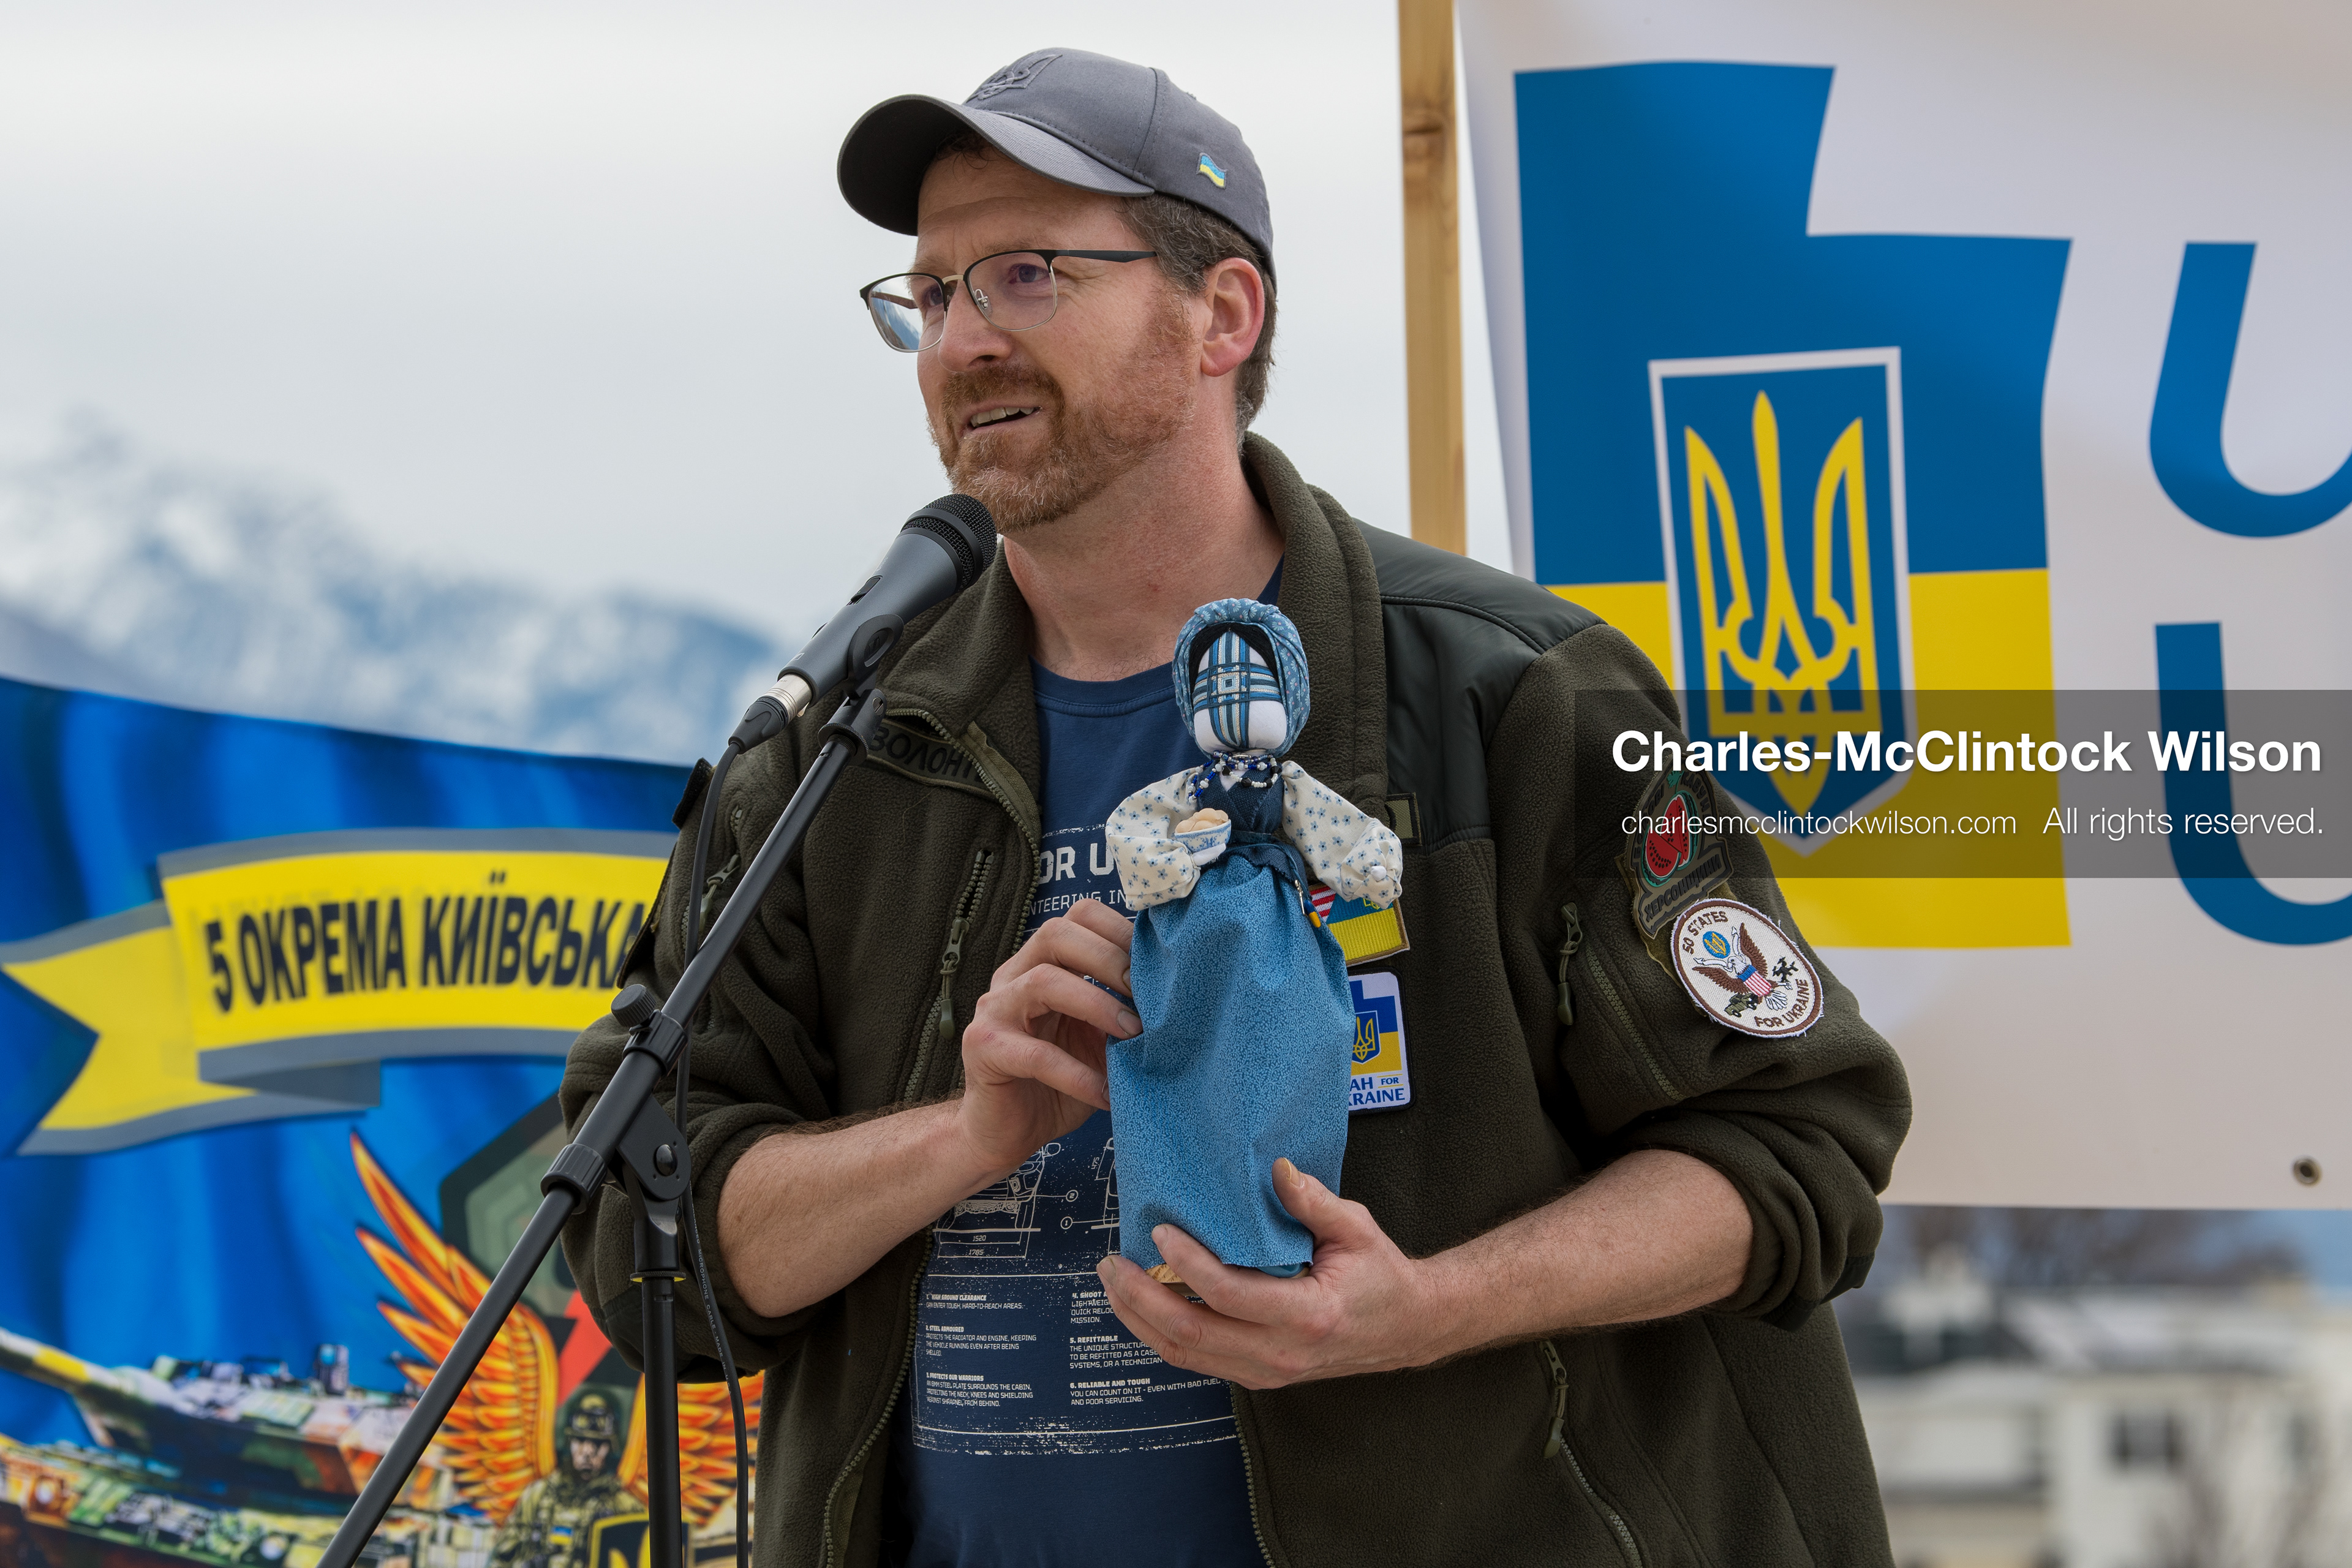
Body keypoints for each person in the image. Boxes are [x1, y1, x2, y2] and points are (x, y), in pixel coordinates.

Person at [560, 46, 1910, 1568]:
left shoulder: (1512, 691)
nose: (960, 343)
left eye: (1025, 273)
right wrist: (964, 1132)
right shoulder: (833, 752)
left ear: (1223, 312)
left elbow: (1792, 1144)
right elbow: (642, 1237)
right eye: (930, 295)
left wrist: (1418, 1312)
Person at [491, 1392, 636, 1568]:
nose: (588, 1451)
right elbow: (503, 1558)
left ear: (611, 1447)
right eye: (580, 1440)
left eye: (598, 1443)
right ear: (569, 1442)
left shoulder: (624, 1507)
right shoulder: (538, 1496)